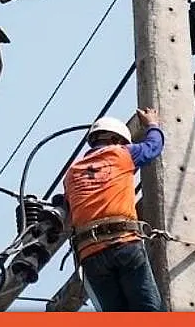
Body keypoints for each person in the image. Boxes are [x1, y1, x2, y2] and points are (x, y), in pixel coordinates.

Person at [62, 109, 166, 312]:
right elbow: (154, 146)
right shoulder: (120, 154)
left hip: (90, 254)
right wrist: (152, 124)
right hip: (123, 244)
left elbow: (67, 210)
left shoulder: (72, 174)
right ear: (116, 140)